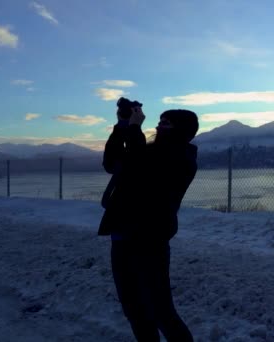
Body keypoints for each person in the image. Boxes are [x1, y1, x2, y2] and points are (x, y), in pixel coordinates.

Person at [98, 100, 199, 342]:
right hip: (121, 238)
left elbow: (140, 168)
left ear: (180, 129)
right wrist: (122, 124)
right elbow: (111, 163)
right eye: (160, 121)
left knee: (161, 312)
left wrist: (134, 129)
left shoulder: (182, 157)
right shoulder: (149, 151)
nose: (157, 125)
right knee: (134, 310)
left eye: (165, 123)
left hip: (149, 241)